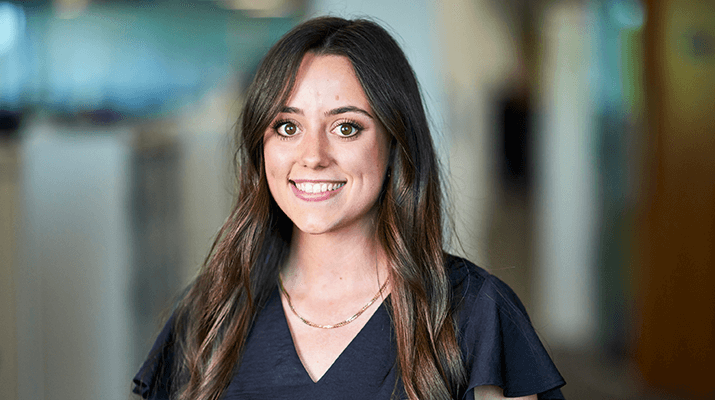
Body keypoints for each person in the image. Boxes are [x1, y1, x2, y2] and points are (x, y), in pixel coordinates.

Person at [133, 16, 565, 400]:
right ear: (260, 147)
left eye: (345, 127)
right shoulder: (208, 314)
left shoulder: (474, 312)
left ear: (395, 143)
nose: (313, 155)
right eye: (287, 126)